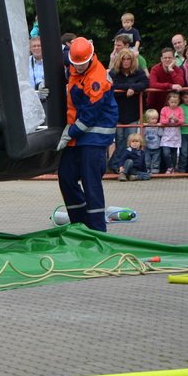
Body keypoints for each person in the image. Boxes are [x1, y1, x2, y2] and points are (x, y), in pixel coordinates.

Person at [56, 37, 117, 232]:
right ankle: (79, 224)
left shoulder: (97, 80)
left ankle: (98, 230)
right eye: (76, 64)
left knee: (91, 182)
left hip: (94, 135)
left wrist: (69, 133)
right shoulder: (73, 62)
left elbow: (91, 114)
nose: (78, 68)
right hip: (79, 133)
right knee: (66, 176)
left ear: (90, 59)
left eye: (82, 65)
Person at [109, 48, 149, 170]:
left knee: (130, 142)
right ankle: (115, 165)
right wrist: (130, 88)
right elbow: (112, 86)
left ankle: (125, 166)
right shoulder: (113, 73)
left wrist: (133, 88)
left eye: (128, 59)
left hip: (132, 113)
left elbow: (145, 83)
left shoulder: (138, 72)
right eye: (123, 59)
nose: (126, 62)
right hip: (117, 113)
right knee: (120, 141)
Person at [159, 91, 184, 174]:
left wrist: (177, 120)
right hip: (166, 134)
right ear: (168, 101)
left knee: (174, 153)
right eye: (172, 102)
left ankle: (172, 168)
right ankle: (169, 167)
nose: (173, 104)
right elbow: (162, 121)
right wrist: (168, 119)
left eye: (175, 102)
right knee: (166, 153)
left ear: (179, 102)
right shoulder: (164, 109)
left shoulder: (180, 109)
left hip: (176, 134)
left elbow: (182, 121)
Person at [143, 109, 162, 175]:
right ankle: (147, 168)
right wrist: (143, 127)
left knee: (156, 159)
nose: (155, 120)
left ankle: (155, 168)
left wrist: (160, 127)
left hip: (156, 146)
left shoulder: (157, 127)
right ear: (148, 119)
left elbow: (160, 134)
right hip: (147, 146)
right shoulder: (146, 127)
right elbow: (143, 134)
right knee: (147, 159)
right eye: (153, 119)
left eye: (156, 119)